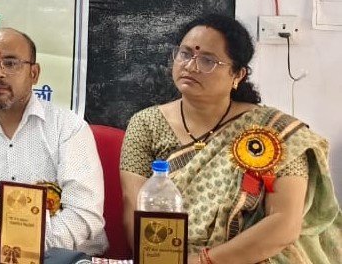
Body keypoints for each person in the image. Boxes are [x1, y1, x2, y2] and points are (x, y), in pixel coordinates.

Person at [120, 14, 342, 263]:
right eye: (185, 54)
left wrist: (203, 261)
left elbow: (284, 224)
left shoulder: (273, 130)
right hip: (165, 256)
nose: (191, 66)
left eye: (207, 60)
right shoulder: (145, 124)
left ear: (238, 75)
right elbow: (135, 210)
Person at [0, 28, 108, 256]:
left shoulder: (68, 128)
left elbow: (83, 214)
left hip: (61, 257)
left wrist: (17, 243)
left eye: (10, 64)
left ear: (34, 74)